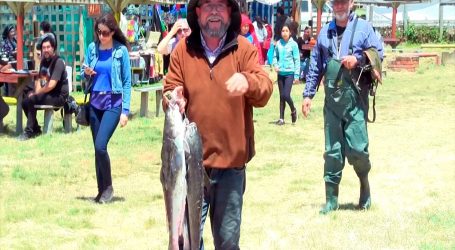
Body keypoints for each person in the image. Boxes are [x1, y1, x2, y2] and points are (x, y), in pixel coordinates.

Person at [163, 0, 273, 248]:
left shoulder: (243, 49)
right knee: (186, 242)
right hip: (190, 166)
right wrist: (173, 97)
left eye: (220, 5)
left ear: (230, 12)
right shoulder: (183, 50)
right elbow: (169, 88)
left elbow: (265, 88)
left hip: (231, 168)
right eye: (208, 5)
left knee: (227, 243)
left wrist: (248, 81)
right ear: (198, 12)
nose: (214, 12)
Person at [301, 0, 383, 214]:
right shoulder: (324, 33)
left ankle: (364, 185)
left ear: (352, 3)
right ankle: (331, 199)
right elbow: (315, 66)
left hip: (355, 100)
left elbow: (378, 54)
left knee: (358, 149)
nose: (339, 6)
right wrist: (308, 94)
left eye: (343, 2)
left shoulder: (364, 28)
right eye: (335, 3)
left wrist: (358, 59)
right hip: (332, 104)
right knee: (332, 153)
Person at [81, 13, 132, 204]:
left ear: (113, 32)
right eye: (98, 32)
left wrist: (125, 111)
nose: (101, 36)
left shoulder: (121, 52)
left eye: (105, 33)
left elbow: (127, 82)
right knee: (97, 149)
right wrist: (85, 73)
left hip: (113, 103)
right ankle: (101, 190)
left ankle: (108, 187)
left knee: (101, 145)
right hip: (94, 103)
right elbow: (83, 74)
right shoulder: (92, 48)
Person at [19, 35, 69, 140]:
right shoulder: (43, 62)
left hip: (59, 96)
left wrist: (37, 94)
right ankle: (36, 129)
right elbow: (40, 81)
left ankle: (29, 132)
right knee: (25, 102)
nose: (45, 50)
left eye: (48, 47)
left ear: (53, 48)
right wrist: (35, 93)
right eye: (43, 48)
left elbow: (51, 85)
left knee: (32, 99)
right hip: (49, 94)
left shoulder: (58, 62)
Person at [272, 24, 300, 126]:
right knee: (281, 96)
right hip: (280, 73)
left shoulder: (294, 45)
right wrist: (275, 65)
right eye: (283, 31)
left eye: (286, 31)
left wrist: (297, 76)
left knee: (286, 95)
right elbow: (274, 56)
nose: (284, 33)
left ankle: (293, 109)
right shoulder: (278, 43)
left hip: (290, 73)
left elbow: (297, 60)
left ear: (290, 32)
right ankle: (281, 119)